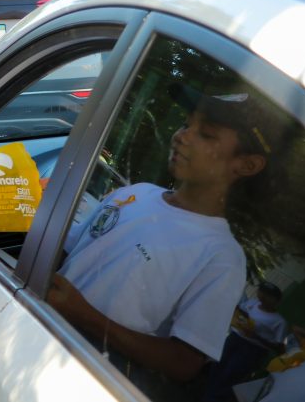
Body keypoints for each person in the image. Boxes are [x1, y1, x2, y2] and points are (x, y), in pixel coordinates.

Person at [47, 84, 279, 385]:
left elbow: (184, 362)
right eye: (186, 124)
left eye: (206, 133)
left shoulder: (222, 256)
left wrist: (85, 316)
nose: (181, 136)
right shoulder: (136, 193)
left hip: (82, 376)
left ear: (247, 165)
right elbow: (66, 252)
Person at [203, 282, 289, 402]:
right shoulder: (252, 303)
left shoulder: (279, 321)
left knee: (231, 374)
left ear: (276, 300)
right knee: (217, 365)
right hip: (235, 338)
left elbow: (279, 347)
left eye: (268, 295)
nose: (263, 295)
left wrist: (256, 337)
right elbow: (242, 313)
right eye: (262, 291)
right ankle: (208, 395)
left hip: (252, 349)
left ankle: (214, 398)